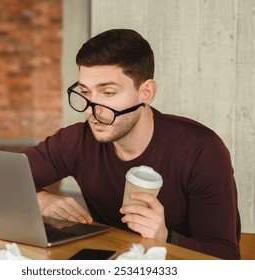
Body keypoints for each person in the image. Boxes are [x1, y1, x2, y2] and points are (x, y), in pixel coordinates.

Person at [23, 29, 241, 259]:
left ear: (146, 92)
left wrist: (166, 238)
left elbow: (226, 258)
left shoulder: (201, 151)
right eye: (85, 92)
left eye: (108, 92)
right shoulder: (76, 141)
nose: (91, 110)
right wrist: (39, 199)